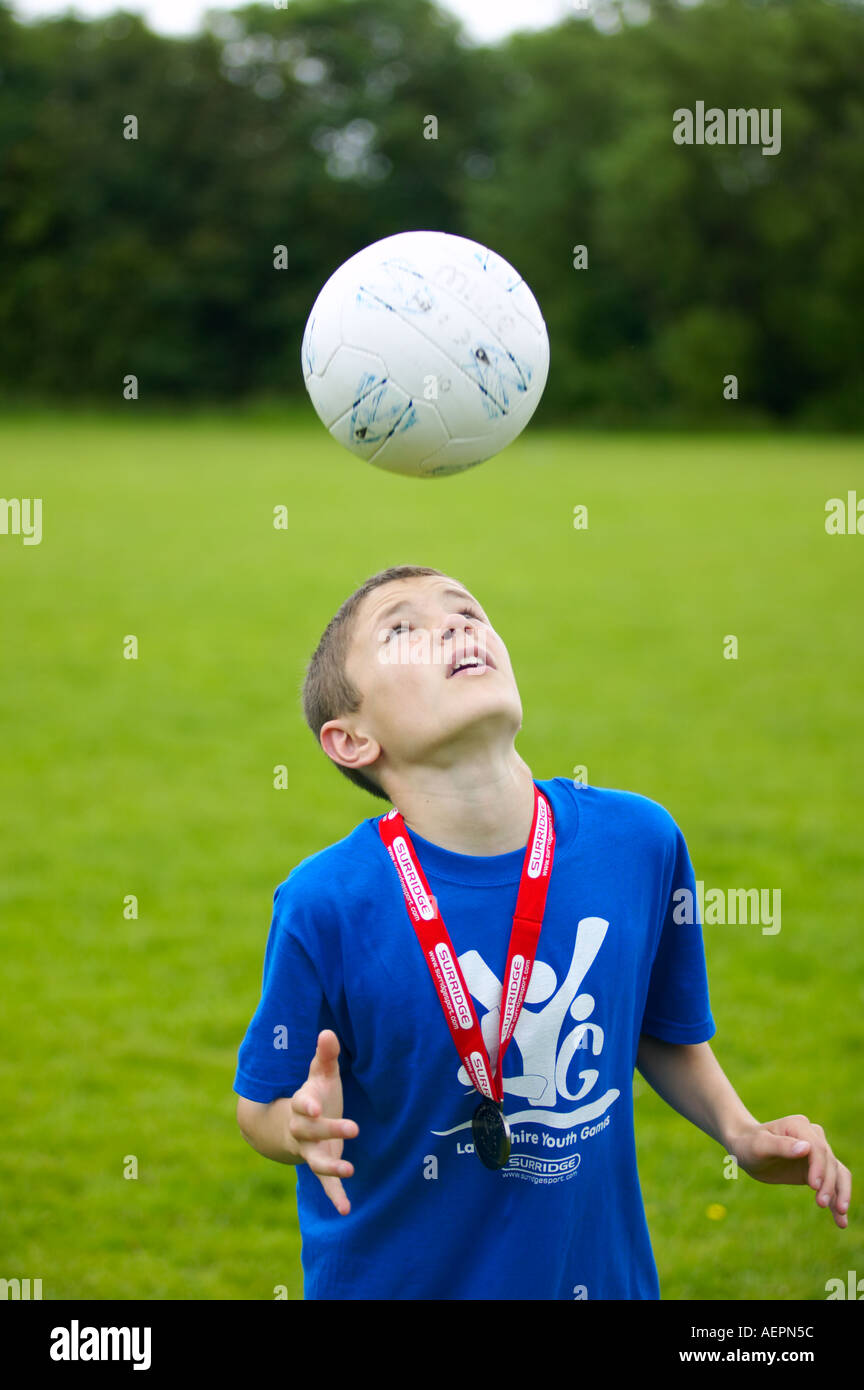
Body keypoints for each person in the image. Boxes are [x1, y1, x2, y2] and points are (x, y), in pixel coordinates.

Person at [233, 564, 851, 1300]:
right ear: (351, 739)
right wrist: (296, 1130)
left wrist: (740, 1131)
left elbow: (656, 1025)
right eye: (402, 630)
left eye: (467, 609)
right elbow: (260, 1102)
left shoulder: (638, 841)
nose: (457, 625)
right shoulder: (325, 902)